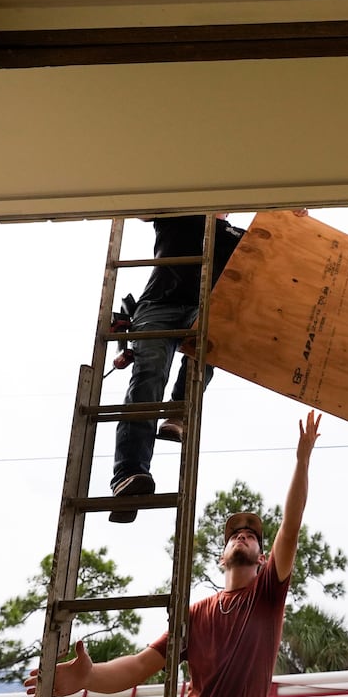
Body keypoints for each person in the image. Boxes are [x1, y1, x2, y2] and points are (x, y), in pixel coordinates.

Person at [29, 411, 322, 697]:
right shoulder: (196, 614)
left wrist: (302, 459)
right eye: (234, 533)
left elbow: (291, 528)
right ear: (220, 556)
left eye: (252, 535)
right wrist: (88, 677)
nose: (243, 535)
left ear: (262, 558)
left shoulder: (266, 599)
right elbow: (140, 664)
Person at [108, 213, 245, 522]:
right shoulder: (181, 212)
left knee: (214, 341)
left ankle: (177, 412)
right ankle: (128, 475)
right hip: (159, 306)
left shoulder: (237, 236)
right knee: (149, 375)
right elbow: (144, 207)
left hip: (204, 308)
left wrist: (292, 215)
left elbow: (278, 252)